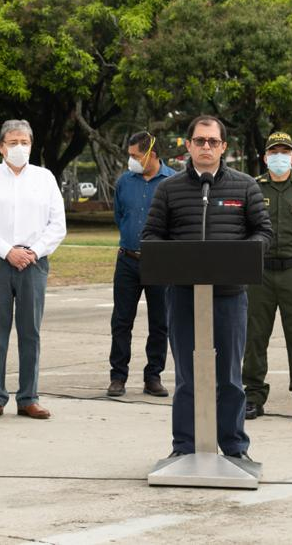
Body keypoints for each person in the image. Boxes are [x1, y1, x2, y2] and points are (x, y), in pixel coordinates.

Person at [142, 115, 272, 460]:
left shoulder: (245, 186)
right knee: (187, 376)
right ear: (188, 145)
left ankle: (234, 448)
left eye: (213, 142)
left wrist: (247, 253)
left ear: (223, 147)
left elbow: (263, 232)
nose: (206, 147)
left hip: (229, 297)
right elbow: (151, 236)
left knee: (229, 377)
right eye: (199, 141)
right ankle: (184, 448)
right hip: (184, 296)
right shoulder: (168, 189)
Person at [0, 119, 66, 421]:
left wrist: (32, 251)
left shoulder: (45, 178)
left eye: (24, 142)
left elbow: (58, 225)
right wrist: (7, 251)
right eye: (13, 142)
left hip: (34, 262)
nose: (19, 148)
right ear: (1, 146)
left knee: (30, 332)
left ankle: (28, 398)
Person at [243, 131, 292, 423]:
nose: (279, 157)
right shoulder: (252, 188)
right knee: (254, 336)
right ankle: (252, 395)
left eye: (284, 152)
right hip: (259, 273)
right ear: (265, 157)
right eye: (273, 152)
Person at [107, 131, 176, 398]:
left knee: (160, 322)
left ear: (152, 154)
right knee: (122, 320)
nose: (131, 160)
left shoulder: (172, 181)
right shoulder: (125, 181)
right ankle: (117, 377)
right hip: (127, 259)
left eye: (135, 155)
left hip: (160, 260)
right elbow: (119, 215)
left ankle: (153, 376)